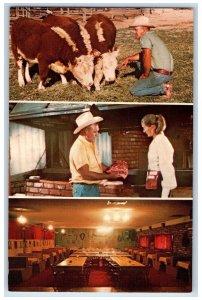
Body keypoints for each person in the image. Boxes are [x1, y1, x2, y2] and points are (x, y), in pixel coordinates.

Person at [69, 111, 121, 197]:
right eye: (94, 132)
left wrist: (111, 168)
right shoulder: (79, 147)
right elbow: (86, 175)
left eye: (97, 131)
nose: (97, 134)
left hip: (93, 187)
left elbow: (98, 164)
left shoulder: (90, 143)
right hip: (83, 189)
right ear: (85, 131)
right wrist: (110, 176)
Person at [119, 16, 173, 98]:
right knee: (139, 62)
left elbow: (147, 56)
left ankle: (163, 89)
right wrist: (128, 58)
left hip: (159, 75)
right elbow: (144, 54)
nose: (134, 32)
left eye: (136, 29)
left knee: (134, 90)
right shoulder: (152, 36)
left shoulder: (144, 37)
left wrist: (145, 74)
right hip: (167, 74)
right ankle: (159, 83)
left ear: (143, 29)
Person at [141, 114, 177, 198]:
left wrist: (165, 193)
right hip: (153, 178)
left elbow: (166, 166)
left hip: (160, 181)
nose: (143, 130)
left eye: (144, 127)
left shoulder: (161, 141)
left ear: (152, 127)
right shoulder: (156, 141)